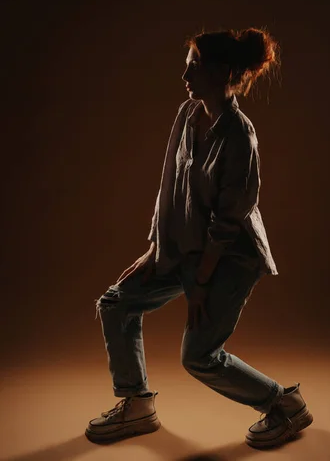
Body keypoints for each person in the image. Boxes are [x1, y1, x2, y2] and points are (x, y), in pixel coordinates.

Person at [85, 28, 313, 449]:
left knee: (198, 357)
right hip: (186, 248)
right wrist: (156, 247)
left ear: (222, 72)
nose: (185, 76)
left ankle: (284, 405)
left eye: (194, 67)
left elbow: (229, 222)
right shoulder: (188, 114)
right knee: (116, 304)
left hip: (230, 259)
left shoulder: (240, 135)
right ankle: (136, 404)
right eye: (186, 66)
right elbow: (169, 186)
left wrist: (201, 282)